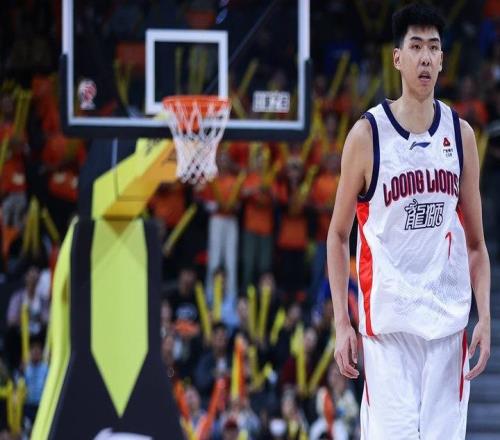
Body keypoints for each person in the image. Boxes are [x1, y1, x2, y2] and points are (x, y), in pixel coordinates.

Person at [326, 3, 491, 439]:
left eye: (433, 48)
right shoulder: (367, 136)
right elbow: (338, 234)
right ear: (397, 58)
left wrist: (485, 316)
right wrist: (342, 322)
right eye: (415, 47)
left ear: (442, 59)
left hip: (447, 329)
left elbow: (476, 244)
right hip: (388, 332)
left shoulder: (461, 136)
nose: (425, 57)